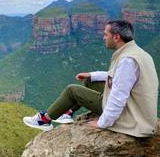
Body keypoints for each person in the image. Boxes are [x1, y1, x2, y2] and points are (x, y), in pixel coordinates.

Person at [23, 20, 159, 137]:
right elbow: (121, 78)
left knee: (72, 90)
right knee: (90, 81)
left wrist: (103, 123)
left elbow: (119, 97)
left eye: (106, 34)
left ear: (116, 37)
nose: (103, 37)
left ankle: (45, 120)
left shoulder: (127, 60)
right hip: (137, 106)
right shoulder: (139, 53)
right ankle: (67, 112)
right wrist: (92, 75)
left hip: (130, 115)